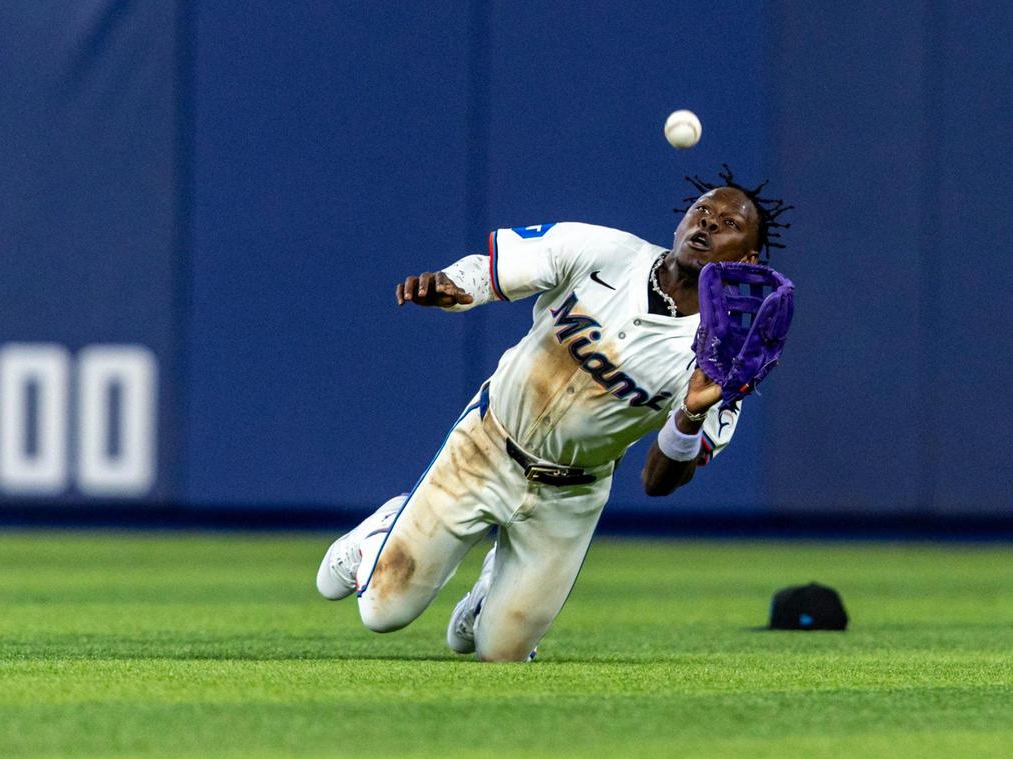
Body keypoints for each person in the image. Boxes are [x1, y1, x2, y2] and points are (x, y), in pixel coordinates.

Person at [316, 167, 792, 662]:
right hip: (487, 443)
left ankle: (483, 603)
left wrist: (692, 413)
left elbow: (659, 482)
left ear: (749, 259)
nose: (708, 224)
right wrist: (455, 285)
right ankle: (388, 524)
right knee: (382, 613)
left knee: (496, 652)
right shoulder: (604, 251)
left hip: (570, 494)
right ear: (679, 224)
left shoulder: (721, 357)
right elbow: (491, 272)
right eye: (702, 211)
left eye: (729, 223)